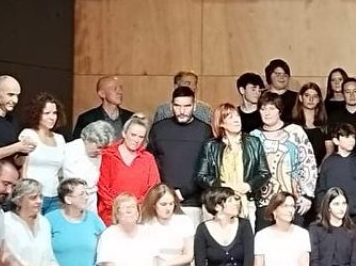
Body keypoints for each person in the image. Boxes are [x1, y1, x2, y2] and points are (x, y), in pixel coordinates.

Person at [196, 103, 270, 225]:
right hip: (217, 202)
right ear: (221, 123)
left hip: (245, 201)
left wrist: (248, 186)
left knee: (244, 240)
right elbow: (201, 176)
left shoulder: (253, 142)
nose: (236, 120)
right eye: (230, 117)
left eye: (237, 116)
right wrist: (222, 184)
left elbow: (264, 172)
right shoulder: (210, 145)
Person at [254, 91, 318, 226]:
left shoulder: (295, 132)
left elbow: (308, 163)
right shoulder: (254, 136)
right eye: (263, 109)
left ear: (280, 111)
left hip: (293, 202)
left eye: (272, 108)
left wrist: (307, 195)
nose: (267, 113)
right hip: (264, 203)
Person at [151, 86, 214, 215]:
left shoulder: (205, 131)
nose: (182, 111)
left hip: (194, 202)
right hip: (162, 200)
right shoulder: (158, 129)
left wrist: (184, 192)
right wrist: (165, 192)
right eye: (177, 106)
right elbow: (150, 164)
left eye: (187, 106)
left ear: (194, 106)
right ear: (171, 106)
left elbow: (209, 168)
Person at [97, 114, 160, 225]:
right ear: (124, 133)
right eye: (133, 135)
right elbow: (102, 188)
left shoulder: (148, 159)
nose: (136, 140)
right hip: (110, 217)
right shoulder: (107, 155)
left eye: (140, 137)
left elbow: (153, 189)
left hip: (139, 217)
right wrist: (120, 209)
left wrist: (134, 209)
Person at [2, 178, 65, 266]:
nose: (39, 201)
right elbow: (8, 259)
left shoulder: (44, 222)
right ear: (18, 201)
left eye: (40, 196)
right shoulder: (6, 222)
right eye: (33, 198)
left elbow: (49, 257)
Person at [46, 178, 105, 266]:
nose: (87, 197)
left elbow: (106, 249)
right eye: (82, 194)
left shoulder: (94, 220)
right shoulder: (50, 220)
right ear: (68, 199)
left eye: (87, 193)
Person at [194, 186, 255, 266]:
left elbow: (249, 260)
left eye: (235, 199)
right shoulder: (202, 229)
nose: (236, 203)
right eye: (230, 201)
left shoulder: (244, 225)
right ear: (217, 206)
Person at [98, 193, 163, 266]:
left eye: (132, 206)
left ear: (138, 212)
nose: (128, 210)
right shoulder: (108, 235)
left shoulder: (149, 232)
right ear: (117, 214)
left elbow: (154, 265)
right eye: (123, 207)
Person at [20, 93, 68, 214]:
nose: (52, 117)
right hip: (33, 195)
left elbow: (61, 172)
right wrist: (26, 193)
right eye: (47, 113)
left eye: (54, 113)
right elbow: (22, 168)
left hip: (54, 196)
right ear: (37, 114)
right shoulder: (28, 134)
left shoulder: (60, 139)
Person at [142, 183, 196, 266]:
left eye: (171, 204)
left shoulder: (184, 221)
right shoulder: (146, 223)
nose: (168, 208)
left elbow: (188, 255)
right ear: (154, 205)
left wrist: (165, 264)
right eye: (163, 204)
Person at [254, 191, 312, 266]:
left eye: (292, 206)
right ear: (274, 210)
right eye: (285, 206)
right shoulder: (262, 236)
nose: (290, 210)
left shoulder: (302, 234)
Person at [317, 123, 356, 221]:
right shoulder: (328, 163)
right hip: (331, 217)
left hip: (355, 217)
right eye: (346, 137)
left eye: (353, 137)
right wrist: (321, 214)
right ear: (336, 140)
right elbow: (321, 191)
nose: (351, 140)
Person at [309, 188, 356, 266]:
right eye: (336, 204)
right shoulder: (315, 228)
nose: (341, 208)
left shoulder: (352, 230)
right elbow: (314, 262)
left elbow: (354, 263)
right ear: (328, 207)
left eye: (344, 203)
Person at [61, 121, 115, 212]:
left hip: (91, 199)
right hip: (71, 198)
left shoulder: (98, 154)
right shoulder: (70, 149)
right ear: (88, 139)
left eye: (103, 148)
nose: (100, 152)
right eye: (98, 147)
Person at [292, 82, 333, 167]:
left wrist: (320, 168)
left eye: (315, 96)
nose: (311, 99)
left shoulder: (324, 123)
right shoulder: (292, 124)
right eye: (307, 95)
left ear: (319, 100)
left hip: (320, 171)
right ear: (300, 98)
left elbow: (330, 151)